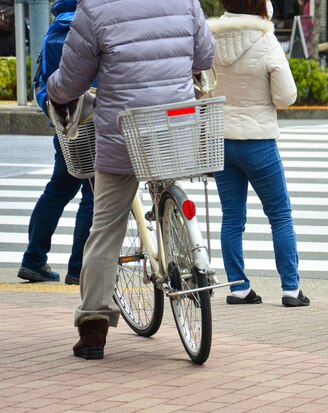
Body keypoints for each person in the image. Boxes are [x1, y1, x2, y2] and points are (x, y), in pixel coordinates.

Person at [45, 0, 215, 359]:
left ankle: (93, 329)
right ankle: (183, 248)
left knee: (105, 228)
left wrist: (54, 91)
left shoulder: (94, 9)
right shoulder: (185, 2)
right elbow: (204, 57)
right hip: (176, 128)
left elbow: (72, 80)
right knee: (168, 178)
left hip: (124, 136)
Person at [207, 0, 309, 307]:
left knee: (232, 218)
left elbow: (202, 86)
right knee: (279, 215)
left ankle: (238, 288)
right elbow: (286, 96)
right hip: (259, 141)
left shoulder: (210, 39)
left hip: (222, 139)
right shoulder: (265, 40)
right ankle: (290, 289)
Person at [17, 0, 93, 286]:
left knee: (58, 190)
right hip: (97, 122)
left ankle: (33, 260)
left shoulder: (56, 28)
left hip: (66, 124)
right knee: (94, 194)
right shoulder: (94, 24)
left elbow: (45, 82)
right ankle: (80, 268)